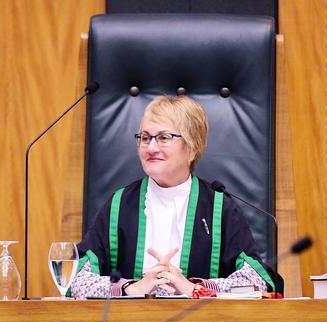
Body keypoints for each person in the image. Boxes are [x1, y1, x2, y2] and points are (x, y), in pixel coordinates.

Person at [70, 95, 281, 298]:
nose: (151, 147)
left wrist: (192, 288)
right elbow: (76, 279)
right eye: (145, 138)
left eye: (163, 138)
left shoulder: (219, 207)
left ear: (192, 147)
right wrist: (131, 288)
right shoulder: (119, 204)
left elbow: (256, 282)